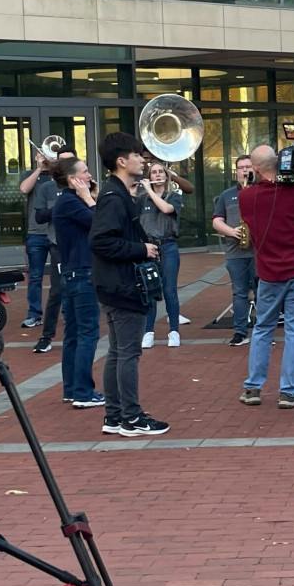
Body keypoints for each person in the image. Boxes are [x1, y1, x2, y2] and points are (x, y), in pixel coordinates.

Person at [89, 131, 169, 438]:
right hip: (122, 285)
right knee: (128, 353)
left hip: (115, 284)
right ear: (122, 161)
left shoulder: (117, 193)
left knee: (118, 351)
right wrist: (141, 249)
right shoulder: (113, 197)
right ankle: (131, 417)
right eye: (137, 155)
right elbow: (101, 242)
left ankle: (114, 415)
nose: (142, 160)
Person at [240, 144, 294, 408]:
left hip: (268, 273)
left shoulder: (247, 197)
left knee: (262, 328)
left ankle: (253, 387)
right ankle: (289, 392)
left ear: (256, 169)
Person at [53, 157, 103, 410]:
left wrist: (88, 196)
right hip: (82, 273)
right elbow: (99, 223)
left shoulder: (68, 201)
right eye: (85, 171)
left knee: (74, 333)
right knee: (87, 333)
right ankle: (83, 392)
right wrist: (90, 199)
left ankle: (72, 389)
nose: (89, 175)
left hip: (73, 273)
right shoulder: (70, 202)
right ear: (73, 179)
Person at [19, 144, 62, 346]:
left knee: (60, 276)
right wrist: (38, 168)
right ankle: (34, 314)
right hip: (36, 233)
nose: (45, 158)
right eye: (42, 155)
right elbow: (23, 189)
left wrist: (53, 166)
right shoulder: (31, 174)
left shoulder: (59, 177)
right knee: (35, 276)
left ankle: (65, 312)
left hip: (56, 234)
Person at [212, 154, 256, 347]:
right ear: (236, 172)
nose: (245, 170)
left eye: (248, 166)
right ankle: (240, 332)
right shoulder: (226, 195)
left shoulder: (262, 191)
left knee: (262, 292)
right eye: (241, 167)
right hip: (235, 251)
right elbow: (216, 221)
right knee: (239, 293)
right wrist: (232, 232)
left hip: (259, 252)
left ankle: (263, 332)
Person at [138, 162, 182, 349]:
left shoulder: (174, 196)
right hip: (149, 247)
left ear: (166, 175)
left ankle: (174, 331)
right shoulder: (142, 200)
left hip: (168, 245)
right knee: (150, 290)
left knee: (170, 290)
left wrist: (149, 190)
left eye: (160, 172)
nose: (157, 175)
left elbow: (166, 209)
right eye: (153, 172)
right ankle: (148, 332)